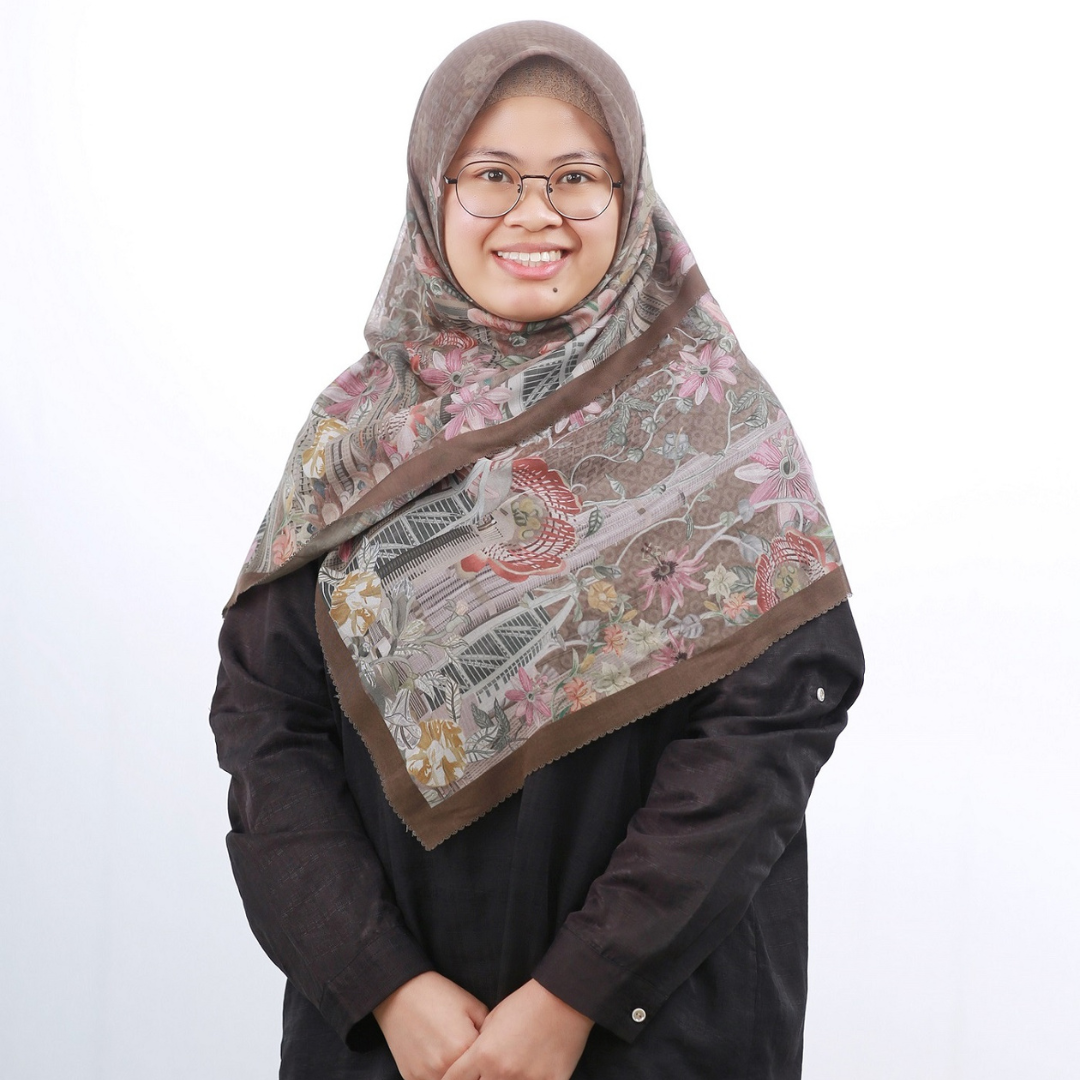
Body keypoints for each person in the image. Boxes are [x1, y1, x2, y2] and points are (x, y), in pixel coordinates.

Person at [211, 20, 864, 1080]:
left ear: (628, 195)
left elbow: (769, 727)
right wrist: (383, 984)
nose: (534, 212)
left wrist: (574, 999)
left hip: (655, 1028)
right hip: (401, 1043)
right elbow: (265, 726)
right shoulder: (357, 441)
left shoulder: (717, 424)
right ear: (434, 191)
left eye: (576, 176)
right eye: (492, 175)